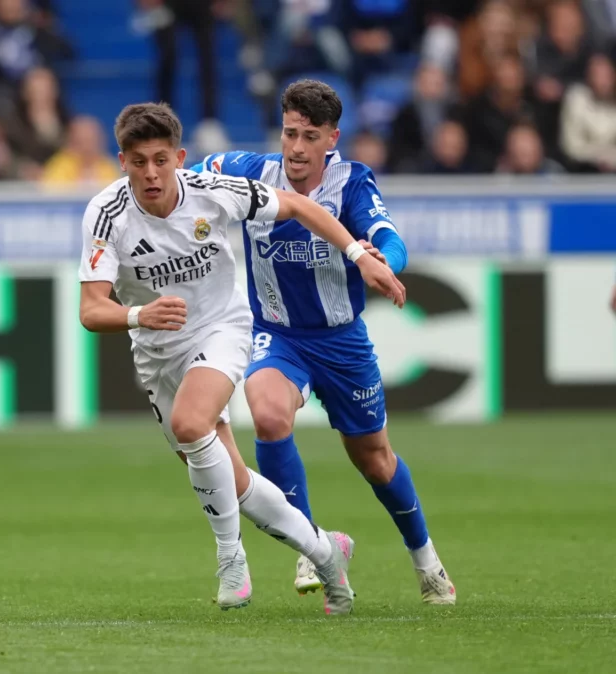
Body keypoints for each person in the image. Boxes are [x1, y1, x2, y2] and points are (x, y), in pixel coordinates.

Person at [79, 102, 407, 613]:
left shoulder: (214, 192)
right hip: (155, 348)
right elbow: (91, 308)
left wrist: (360, 256)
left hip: (222, 326)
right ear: (121, 161)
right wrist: (139, 316)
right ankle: (325, 552)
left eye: (161, 160)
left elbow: (302, 207)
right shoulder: (107, 213)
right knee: (231, 478)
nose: (151, 173)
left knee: (192, 423)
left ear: (179, 157)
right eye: (139, 162)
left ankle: (230, 559)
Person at [192, 79, 456, 605]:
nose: (295, 147)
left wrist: (386, 262)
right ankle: (311, 545)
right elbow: (184, 179)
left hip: (342, 342)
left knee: (375, 460)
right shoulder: (247, 172)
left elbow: (388, 238)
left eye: (309, 136)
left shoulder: (353, 183)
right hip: (275, 332)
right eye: (289, 132)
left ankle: (426, 560)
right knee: (267, 415)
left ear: (331, 138)